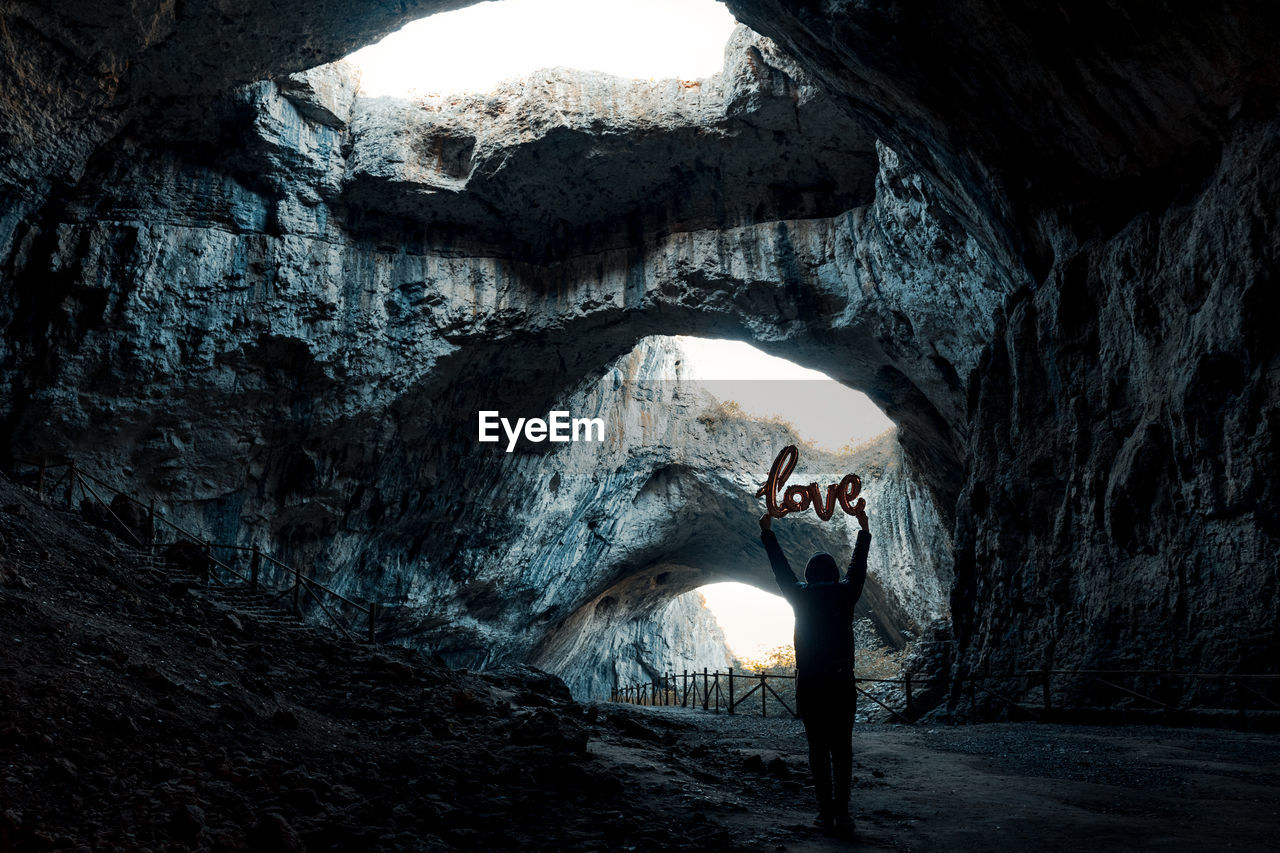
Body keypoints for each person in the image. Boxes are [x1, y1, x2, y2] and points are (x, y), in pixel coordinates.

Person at [759, 502, 870, 834]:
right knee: (842, 749)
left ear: (808, 576)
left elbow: (780, 567)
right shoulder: (845, 594)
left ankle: (824, 813)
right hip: (840, 683)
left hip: (810, 686)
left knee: (817, 749)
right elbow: (858, 566)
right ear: (834, 575)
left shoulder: (798, 595)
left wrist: (767, 533)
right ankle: (844, 814)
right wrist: (863, 529)